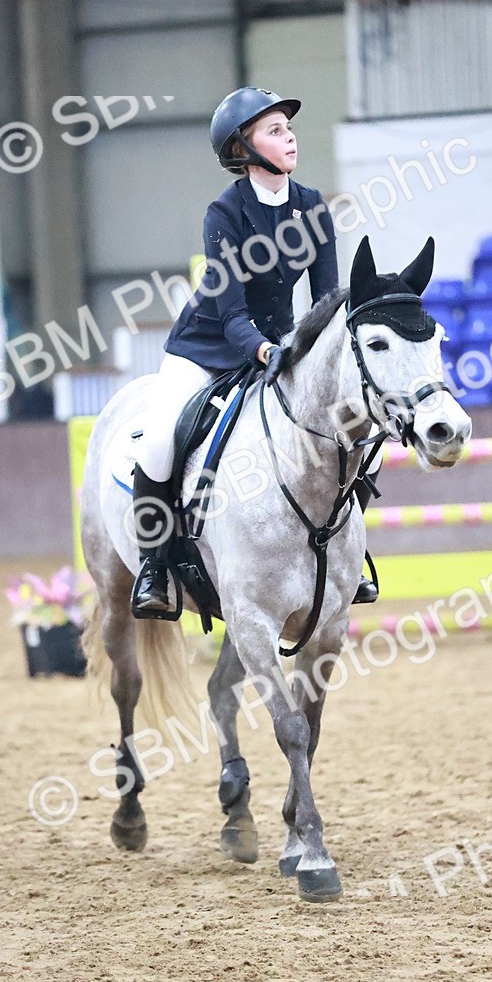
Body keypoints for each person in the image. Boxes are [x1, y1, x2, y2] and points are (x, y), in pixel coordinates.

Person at [131, 85, 378, 617]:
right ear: (242, 148)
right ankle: (155, 566)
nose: (290, 137)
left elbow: (328, 301)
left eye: (289, 128)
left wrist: (319, 357)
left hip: (279, 345)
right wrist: (266, 352)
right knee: (158, 442)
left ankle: (349, 554)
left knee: (350, 429)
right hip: (206, 347)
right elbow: (230, 315)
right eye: (274, 130)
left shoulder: (313, 207)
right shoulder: (224, 213)